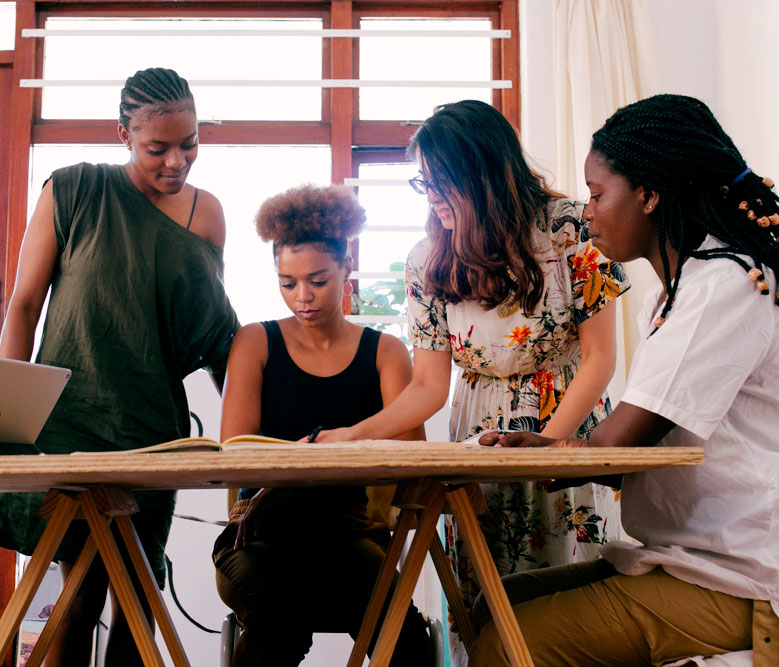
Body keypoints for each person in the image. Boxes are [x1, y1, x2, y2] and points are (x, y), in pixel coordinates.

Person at [469, 94, 779, 667]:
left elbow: (618, 445)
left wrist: (546, 450)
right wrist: (544, 449)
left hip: (738, 579)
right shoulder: (677, 293)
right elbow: (636, 450)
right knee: (490, 608)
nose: (588, 213)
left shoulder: (724, 286)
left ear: (649, 194)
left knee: (506, 643)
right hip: (687, 557)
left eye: (596, 194)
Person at [315, 100, 630, 653]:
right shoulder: (427, 260)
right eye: (424, 184)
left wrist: (548, 443)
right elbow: (428, 387)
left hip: (564, 423)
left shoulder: (572, 230)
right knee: (483, 605)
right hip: (478, 435)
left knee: (572, 611)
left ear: (484, 175)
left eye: (442, 184)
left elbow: (600, 358)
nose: (432, 199)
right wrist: (353, 434)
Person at [0, 68, 239, 666]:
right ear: (123, 135)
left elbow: (216, 336)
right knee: (79, 591)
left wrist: (250, 436)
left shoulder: (205, 215)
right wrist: (8, 411)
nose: (176, 161)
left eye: (189, 145)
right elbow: (24, 303)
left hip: (152, 435)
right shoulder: (74, 191)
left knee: (139, 598)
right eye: (157, 148)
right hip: (69, 429)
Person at [211, 183, 434, 666]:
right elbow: (236, 458)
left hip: (348, 538)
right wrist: (321, 452)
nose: (303, 297)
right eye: (287, 283)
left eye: (318, 280)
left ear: (347, 268)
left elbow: (411, 456)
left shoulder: (385, 353)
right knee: (280, 620)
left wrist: (315, 451)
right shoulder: (255, 343)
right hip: (258, 538)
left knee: (409, 643)